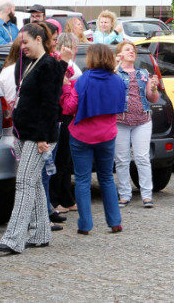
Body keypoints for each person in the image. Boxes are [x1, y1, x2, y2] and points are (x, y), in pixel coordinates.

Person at [0, 23, 65, 255]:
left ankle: (13, 238)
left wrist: (43, 137)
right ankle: (41, 233)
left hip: (39, 136)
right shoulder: (26, 63)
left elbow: (50, 105)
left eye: (25, 42)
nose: (22, 46)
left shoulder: (49, 65)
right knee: (32, 183)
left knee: (24, 182)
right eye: (20, 42)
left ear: (38, 39)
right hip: (24, 133)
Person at [70, 43, 126, 235]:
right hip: (107, 134)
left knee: (82, 180)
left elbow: (71, 107)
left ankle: (85, 225)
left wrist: (66, 88)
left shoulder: (84, 79)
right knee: (107, 178)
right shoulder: (117, 80)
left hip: (82, 135)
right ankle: (115, 222)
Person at [114, 41, 160, 208]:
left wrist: (153, 88)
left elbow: (153, 98)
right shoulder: (114, 73)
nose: (131, 52)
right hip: (120, 121)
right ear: (119, 54)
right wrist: (115, 65)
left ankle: (147, 195)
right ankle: (124, 195)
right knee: (122, 159)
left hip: (142, 120)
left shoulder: (143, 73)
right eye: (127, 49)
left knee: (142, 158)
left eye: (133, 50)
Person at [51, 33, 80, 214]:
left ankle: (66, 197)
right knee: (60, 159)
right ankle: (56, 199)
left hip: (68, 113)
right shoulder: (61, 64)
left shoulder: (69, 65)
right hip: (62, 113)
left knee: (66, 160)